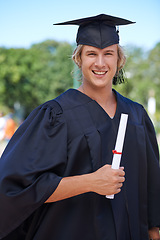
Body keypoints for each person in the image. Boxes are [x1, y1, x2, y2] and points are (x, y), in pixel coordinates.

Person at [0, 14, 160, 240]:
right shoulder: (55, 115)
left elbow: (152, 186)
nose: (100, 63)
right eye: (91, 54)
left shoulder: (136, 115)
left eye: (108, 54)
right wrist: (91, 181)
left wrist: (154, 231)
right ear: (78, 59)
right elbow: (18, 187)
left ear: (119, 60)